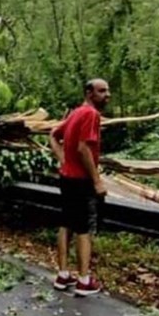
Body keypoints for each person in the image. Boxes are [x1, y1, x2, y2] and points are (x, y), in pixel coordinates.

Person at [48, 78, 110, 296]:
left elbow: (53, 135)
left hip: (66, 178)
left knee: (66, 224)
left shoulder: (75, 113)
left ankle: (63, 275)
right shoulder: (91, 114)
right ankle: (84, 280)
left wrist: (63, 160)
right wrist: (97, 180)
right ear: (89, 92)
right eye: (102, 91)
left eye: (107, 91)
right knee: (83, 228)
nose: (107, 95)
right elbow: (84, 149)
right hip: (80, 181)